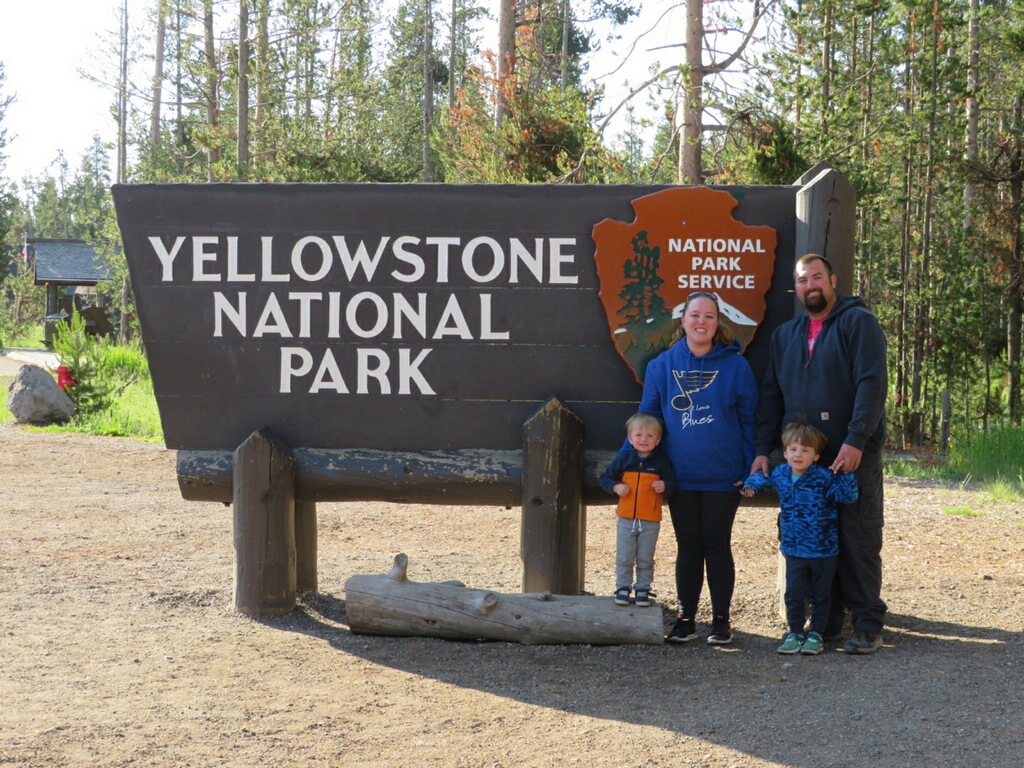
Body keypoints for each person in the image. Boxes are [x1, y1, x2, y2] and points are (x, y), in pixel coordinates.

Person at [751, 253, 888, 655]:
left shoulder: (858, 323)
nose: (810, 285)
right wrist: (763, 450)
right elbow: (771, 398)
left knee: (858, 536)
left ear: (833, 279)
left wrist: (856, 438)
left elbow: (872, 383)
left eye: (816, 278)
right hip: (802, 462)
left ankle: (866, 624)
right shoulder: (785, 336)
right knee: (815, 537)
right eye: (802, 280)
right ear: (796, 288)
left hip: (850, 454)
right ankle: (826, 621)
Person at [637, 291, 759, 645]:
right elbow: (648, 419)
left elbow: (750, 422)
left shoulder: (736, 367)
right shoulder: (661, 366)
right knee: (688, 545)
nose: (701, 322)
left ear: (717, 322)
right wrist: (643, 465)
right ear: (683, 320)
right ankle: (685, 618)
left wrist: (749, 467)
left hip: (724, 475)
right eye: (695, 315)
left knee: (717, 545)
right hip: (680, 476)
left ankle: (721, 619)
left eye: (709, 316)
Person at [741, 422, 859, 655]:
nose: (798, 455)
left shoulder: (823, 478)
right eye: (793, 449)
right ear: (785, 453)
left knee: (821, 595)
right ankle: (794, 632)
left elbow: (847, 496)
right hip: (793, 549)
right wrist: (750, 485)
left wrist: (847, 473)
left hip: (823, 550)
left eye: (806, 450)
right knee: (793, 593)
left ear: (816, 456)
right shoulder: (781, 475)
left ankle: (816, 634)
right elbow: (763, 479)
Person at [600, 413, 677, 608]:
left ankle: (643, 588)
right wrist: (615, 487)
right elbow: (605, 478)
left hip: (650, 519)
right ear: (630, 438)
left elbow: (673, 484)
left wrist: (664, 486)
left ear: (658, 440)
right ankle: (622, 587)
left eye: (650, 435)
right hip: (626, 518)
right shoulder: (624, 459)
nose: (644, 439)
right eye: (639, 435)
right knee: (624, 555)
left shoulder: (661, 461)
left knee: (645, 556)